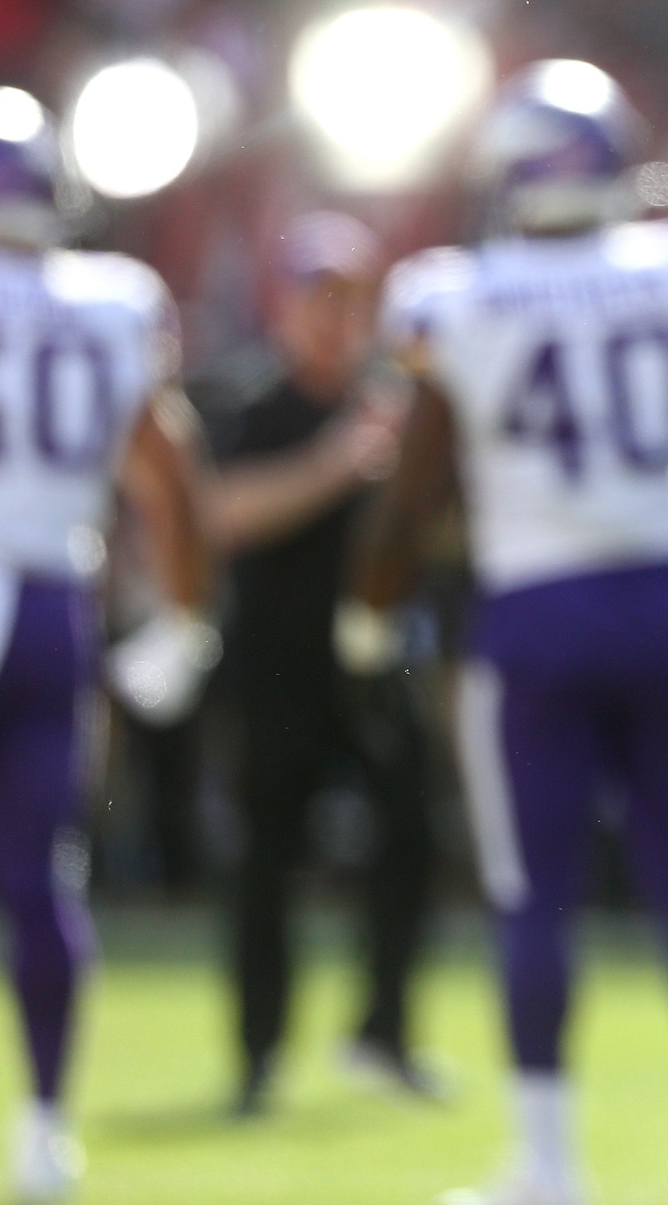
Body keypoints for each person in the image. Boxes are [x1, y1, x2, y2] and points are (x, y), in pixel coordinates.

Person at [345, 61, 668, 1205]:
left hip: (533, 616)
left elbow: (412, 491)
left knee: (533, 891)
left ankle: (548, 1167)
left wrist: (366, 620)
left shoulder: (455, 293)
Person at [0, 89, 213, 1200]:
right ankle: (43, 1132)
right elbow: (167, 468)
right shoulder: (110, 300)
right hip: (53, 608)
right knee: (39, 874)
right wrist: (183, 616)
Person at [205, 211, 435, 1115]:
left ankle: (383, 1031)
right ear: (283, 305)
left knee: (411, 840)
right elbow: (221, 511)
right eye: (319, 298)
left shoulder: (394, 404)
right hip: (272, 667)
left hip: (376, 667)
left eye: (351, 300)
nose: (335, 319)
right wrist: (336, 465)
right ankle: (258, 1054)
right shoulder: (245, 400)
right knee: (265, 861)